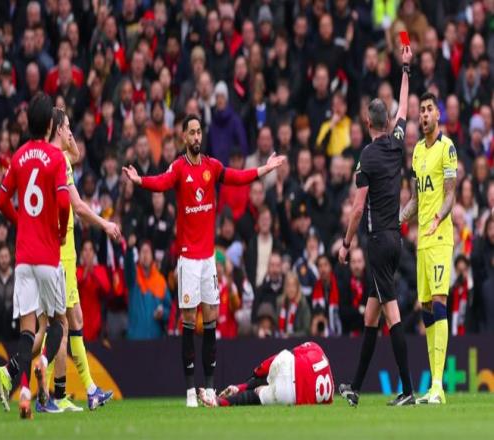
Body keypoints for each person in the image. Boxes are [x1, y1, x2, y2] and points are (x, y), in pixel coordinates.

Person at [122, 114, 285, 407]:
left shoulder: (212, 166)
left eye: (199, 132)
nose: (197, 137)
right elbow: (161, 183)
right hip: (188, 260)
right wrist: (139, 181)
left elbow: (237, 176)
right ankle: (189, 390)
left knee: (210, 321)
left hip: (208, 260)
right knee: (188, 322)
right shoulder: (178, 168)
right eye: (192, 132)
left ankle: (209, 388)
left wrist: (264, 169)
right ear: (184, 137)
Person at [338, 45, 414, 407]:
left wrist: (345, 243)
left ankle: (409, 390)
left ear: (369, 123)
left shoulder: (367, 156)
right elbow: (404, 106)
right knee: (371, 317)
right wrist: (405, 70)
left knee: (391, 313)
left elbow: (357, 209)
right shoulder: (397, 143)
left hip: (379, 241)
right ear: (388, 123)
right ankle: (354, 387)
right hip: (393, 239)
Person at [32, 108, 120, 412]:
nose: (71, 132)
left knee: (66, 322)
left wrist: (68, 140)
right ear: (57, 129)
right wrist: (105, 224)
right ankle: (49, 384)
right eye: (67, 127)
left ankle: (57, 394)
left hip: (55, 248)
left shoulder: (49, 158)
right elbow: (79, 207)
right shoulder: (59, 162)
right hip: (63, 250)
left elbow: (77, 155)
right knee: (63, 323)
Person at [0, 93, 70, 418]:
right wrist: (61, 230)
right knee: (58, 324)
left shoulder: (18, 156)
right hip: (48, 254)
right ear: (51, 124)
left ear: (29, 123)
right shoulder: (55, 157)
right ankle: (43, 362)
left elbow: (1, 201)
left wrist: (20, 221)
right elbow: (64, 203)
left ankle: (25, 393)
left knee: (27, 330)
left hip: (24, 258)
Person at [400, 92, 458, 404]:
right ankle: (434, 386)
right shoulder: (418, 152)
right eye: (421, 110)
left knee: (438, 301)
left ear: (438, 115)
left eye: (429, 109)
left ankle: (438, 384)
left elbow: (450, 195)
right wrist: (397, 219)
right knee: (425, 308)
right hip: (422, 241)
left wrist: (437, 218)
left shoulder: (447, 148)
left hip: (440, 237)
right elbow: (415, 199)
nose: (424, 114)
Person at [198, 341, 334, 407]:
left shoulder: (314, 347)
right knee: (256, 397)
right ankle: (219, 402)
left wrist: (257, 372)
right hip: (292, 397)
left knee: (277, 366)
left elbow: (283, 357)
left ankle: (240, 387)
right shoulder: (331, 391)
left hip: (290, 370)